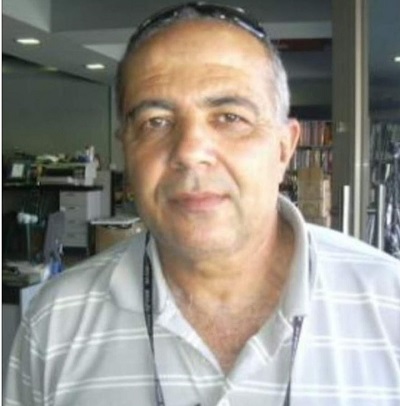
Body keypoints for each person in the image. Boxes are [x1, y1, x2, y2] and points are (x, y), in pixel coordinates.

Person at [4, 3, 400, 406]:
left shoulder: (391, 305)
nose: (190, 151)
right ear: (126, 149)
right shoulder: (54, 322)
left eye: (230, 117)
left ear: (284, 148)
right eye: (156, 121)